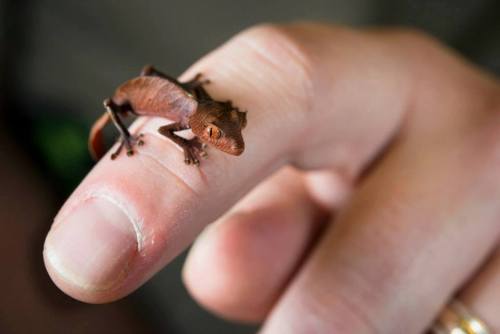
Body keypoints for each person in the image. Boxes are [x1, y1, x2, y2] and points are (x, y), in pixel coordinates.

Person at [43, 23, 500, 333]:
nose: (231, 144)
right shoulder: (182, 119)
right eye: (218, 136)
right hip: (127, 103)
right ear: (204, 128)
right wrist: (143, 141)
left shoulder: (198, 109)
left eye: (226, 131)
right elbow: (164, 128)